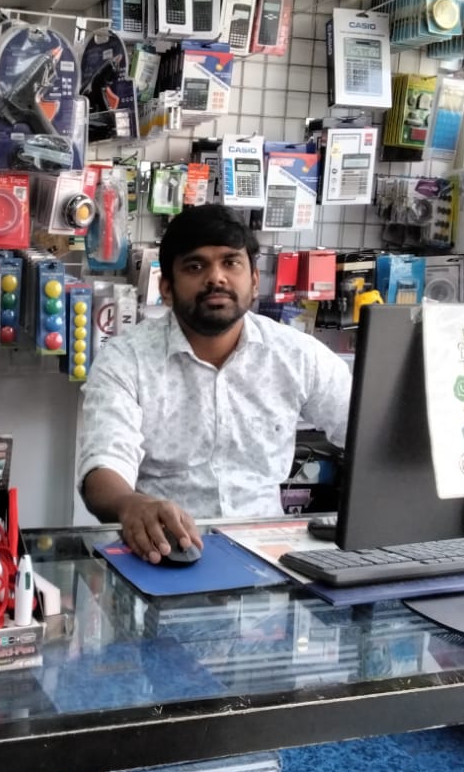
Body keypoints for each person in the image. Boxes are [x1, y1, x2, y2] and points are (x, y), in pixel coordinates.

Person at [77, 205, 352, 563]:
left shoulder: (297, 355)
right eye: (195, 267)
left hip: (269, 556)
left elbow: (366, 435)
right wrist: (130, 504)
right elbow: (103, 466)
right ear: (166, 288)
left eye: (231, 263)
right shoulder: (126, 360)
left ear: (255, 280)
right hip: (162, 552)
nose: (216, 278)